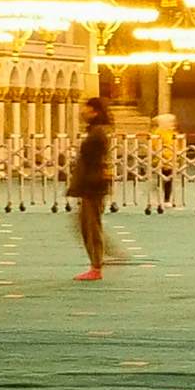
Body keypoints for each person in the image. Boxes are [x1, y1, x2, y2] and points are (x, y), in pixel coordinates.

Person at [70, 90, 122, 279]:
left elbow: (94, 162)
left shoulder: (98, 133)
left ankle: (97, 266)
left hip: (93, 185)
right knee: (88, 225)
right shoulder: (96, 131)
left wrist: (85, 184)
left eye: (87, 109)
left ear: (94, 111)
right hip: (92, 184)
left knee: (91, 226)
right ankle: (100, 259)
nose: (83, 112)